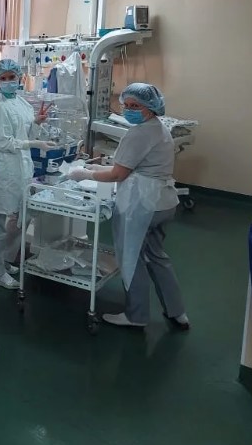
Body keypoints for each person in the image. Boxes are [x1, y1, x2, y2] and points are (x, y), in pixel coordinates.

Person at [69, 83, 189, 330]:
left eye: (136, 106)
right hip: (164, 203)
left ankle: (136, 316)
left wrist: (84, 174)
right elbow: (130, 167)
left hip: (143, 205)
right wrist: (95, 167)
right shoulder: (159, 128)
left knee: (132, 258)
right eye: (127, 105)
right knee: (157, 256)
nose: (129, 110)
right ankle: (177, 311)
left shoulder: (138, 133)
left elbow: (118, 175)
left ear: (151, 107)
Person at [0, 59, 54, 290]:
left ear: (19, 78)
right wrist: (34, 143)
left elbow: (25, 130)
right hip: (2, 171)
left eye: (12, 77)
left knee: (20, 217)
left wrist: (37, 122)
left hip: (20, 169)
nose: (8, 82)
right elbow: (3, 142)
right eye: (3, 78)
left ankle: (3, 261)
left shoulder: (21, 102)